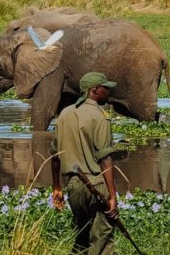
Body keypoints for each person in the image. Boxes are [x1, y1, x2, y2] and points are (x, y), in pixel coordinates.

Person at [51, 72, 119, 255]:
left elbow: (55, 156)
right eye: (106, 88)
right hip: (96, 184)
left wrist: (56, 187)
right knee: (103, 237)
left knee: (81, 235)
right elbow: (105, 158)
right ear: (95, 90)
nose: (109, 91)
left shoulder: (64, 114)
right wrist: (112, 196)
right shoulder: (100, 116)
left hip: (74, 187)